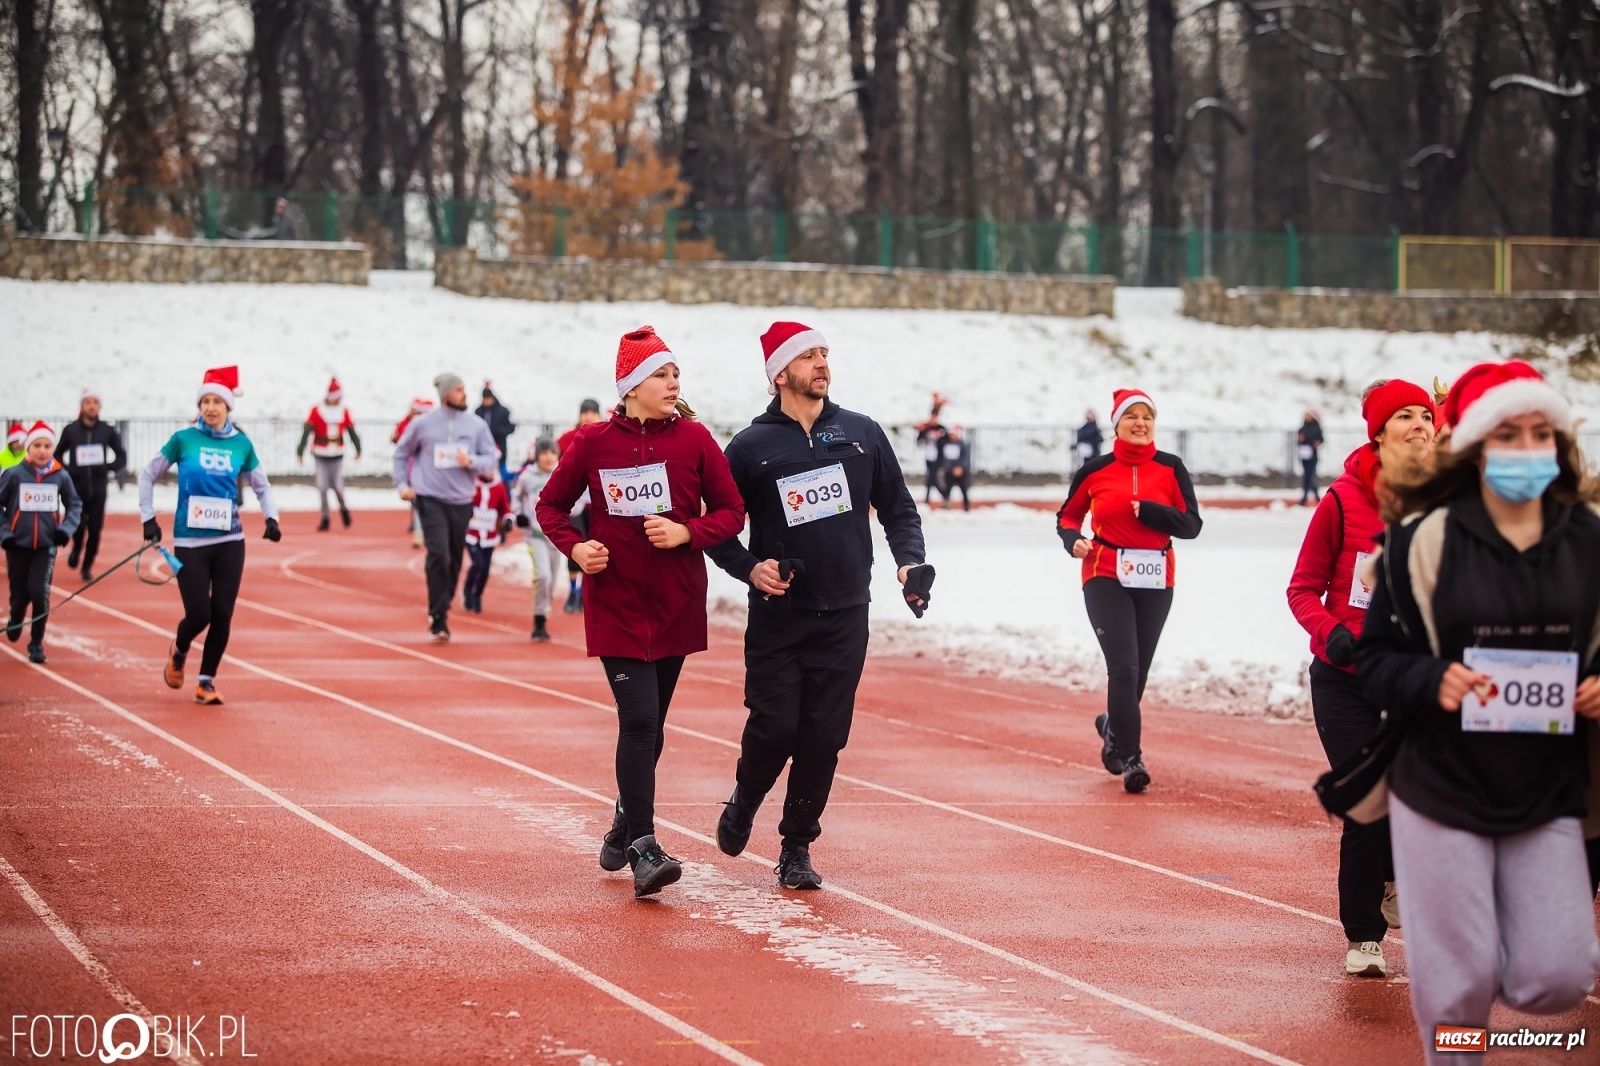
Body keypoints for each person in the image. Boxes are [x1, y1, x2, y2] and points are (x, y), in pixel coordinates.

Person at [1356, 360, 1600, 1064]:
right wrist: (1434, 679)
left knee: (1557, 975)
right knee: (1459, 997)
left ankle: (1475, 953)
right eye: (1506, 434)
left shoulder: (1587, 543)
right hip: (1441, 784)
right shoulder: (1421, 541)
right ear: (1473, 448)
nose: (1525, 449)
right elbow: (1374, 662)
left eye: (1539, 434)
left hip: (1544, 784)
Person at [708, 321, 932, 890]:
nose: (822, 364)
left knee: (824, 736)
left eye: (825, 354)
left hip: (845, 613)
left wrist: (910, 564)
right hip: (780, 616)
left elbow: (900, 509)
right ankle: (745, 798)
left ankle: (796, 845)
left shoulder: (861, 434)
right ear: (780, 374)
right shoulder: (751, 447)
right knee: (775, 727)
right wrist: (748, 567)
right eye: (808, 357)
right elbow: (717, 526)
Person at [536, 326, 745, 898]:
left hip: (676, 604)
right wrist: (575, 548)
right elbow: (549, 505)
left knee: (652, 729)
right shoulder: (592, 444)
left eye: (675, 373)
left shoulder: (697, 440)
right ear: (631, 385)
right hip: (619, 605)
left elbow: (731, 512)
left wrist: (686, 532)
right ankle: (643, 847)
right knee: (641, 721)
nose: (673, 382)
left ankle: (622, 822)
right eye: (661, 374)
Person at [1287, 378, 1437, 978]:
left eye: (1426, 416)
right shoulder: (1343, 502)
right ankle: (1364, 935)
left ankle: (1394, 874)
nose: (1419, 426)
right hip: (1346, 678)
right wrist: (1334, 632)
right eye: (1404, 416)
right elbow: (1301, 589)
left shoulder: (1448, 504)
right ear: (1378, 432)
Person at [1056, 389, 1203, 793]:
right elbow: (1067, 517)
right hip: (1105, 571)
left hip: (1156, 577)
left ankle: (1112, 730)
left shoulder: (1171, 469)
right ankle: (1132, 756)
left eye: (1147, 416)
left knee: (1137, 671)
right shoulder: (1095, 469)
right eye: (1131, 416)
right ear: (1116, 424)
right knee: (1123, 667)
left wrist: (1153, 511)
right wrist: (1073, 540)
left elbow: (1192, 525)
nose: (1140, 423)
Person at [139, 367, 281, 705]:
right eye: (205, 401)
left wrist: (271, 518)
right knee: (199, 613)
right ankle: (180, 649)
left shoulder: (241, 444)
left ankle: (206, 681)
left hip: (230, 541)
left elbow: (262, 485)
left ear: (229, 407)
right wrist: (149, 519)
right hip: (190, 542)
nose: (211, 407)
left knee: (223, 613)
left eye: (218, 401)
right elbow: (148, 474)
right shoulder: (183, 440)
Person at [392, 373, 499, 642]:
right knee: (438, 553)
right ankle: (438, 615)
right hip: (430, 498)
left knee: (453, 559)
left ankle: (443, 605)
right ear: (445, 394)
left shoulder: (476, 426)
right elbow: (401, 453)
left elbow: (490, 461)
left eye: (464, 388)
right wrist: (402, 484)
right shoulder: (422, 424)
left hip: (461, 500)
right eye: (458, 390)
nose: (464, 393)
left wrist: (471, 461)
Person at [0, 421, 83, 664]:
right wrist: (5, 533)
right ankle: (16, 616)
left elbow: (75, 504)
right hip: (17, 545)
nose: (42, 450)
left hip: (46, 546)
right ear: (28, 448)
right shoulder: (14, 474)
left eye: (47, 445)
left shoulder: (60, 475)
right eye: (37, 445)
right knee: (19, 594)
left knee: (40, 593)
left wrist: (65, 530)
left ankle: (36, 642)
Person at [57, 387, 127, 581]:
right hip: (76, 488)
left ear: (99, 406)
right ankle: (76, 548)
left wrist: (107, 467)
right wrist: (69, 470)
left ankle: (87, 566)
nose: (91, 406)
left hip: (98, 488)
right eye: (88, 402)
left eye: (95, 403)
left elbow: (122, 456)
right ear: (82, 406)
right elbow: (57, 455)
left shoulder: (107, 430)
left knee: (95, 529)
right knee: (78, 527)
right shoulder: (71, 430)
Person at [296, 376, 361, 531]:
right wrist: (300, 450)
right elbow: (307, 431)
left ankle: (344, 510)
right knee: (323, 487)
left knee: (338, 487)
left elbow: (351, 432)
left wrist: (358, 448)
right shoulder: (317, 411)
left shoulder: (343, 412)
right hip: (320, 454)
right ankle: (325, 517)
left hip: (337, 455)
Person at [557, 398, 603, 614]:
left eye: (592, 412)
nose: (588, 416)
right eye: (585, 412)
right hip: (575, 502)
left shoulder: (606, 436)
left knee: (594, 546)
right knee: (577, 544)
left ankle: (586, 592)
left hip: (598, 503)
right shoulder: (566, 439)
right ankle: (573, 591)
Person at [514, 439, 562, 642]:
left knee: (552, 580)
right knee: (543, 576)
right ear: (537, 456)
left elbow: (577, 500)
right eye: (544, 453)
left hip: (558, 537)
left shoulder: (563, 475)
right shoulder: (527, 478)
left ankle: (545, 608)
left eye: (552, 453)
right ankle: (539, 621)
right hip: (536, 536)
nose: (548, 457)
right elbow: (516, 497)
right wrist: (518, 514)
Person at [461, 470, 512, 614]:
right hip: (472, 534)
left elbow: (504, 508)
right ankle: (467, 590)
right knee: (478, 564)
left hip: (490, 535)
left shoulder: (499, 487)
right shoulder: (471, 484)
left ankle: (477, 595)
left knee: (485, 569)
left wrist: (508, 519)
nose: (490, 472)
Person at [393, 397, 434, 549]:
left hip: (427, 471)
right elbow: (400, 445)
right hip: (413, 469)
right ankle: (418, 530)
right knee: (417, 502)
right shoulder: (409, 424)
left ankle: (421, 530)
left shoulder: (428, 426)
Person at [475, 383, 517, 484]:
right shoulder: (478, 411)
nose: (487, 401)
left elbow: (511, 427)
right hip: (483, 449)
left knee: (502, 476)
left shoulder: (503, 411)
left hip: (500, 447)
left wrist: (498, 431)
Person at [913, 393, 948, 505]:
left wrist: (940, 437)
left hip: (938, 457)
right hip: (928, 455)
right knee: (931, 477)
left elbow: (946, 440)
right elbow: (919, 441)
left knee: (932, 477)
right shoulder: (925, 429)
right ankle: (941, 497)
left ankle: (943, 495)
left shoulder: (941, 429)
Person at [938, 424, 973, 511]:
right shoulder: (946, 443)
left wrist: (960, 467)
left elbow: (965, 458)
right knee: (947, 488)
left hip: (959, 471)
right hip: (949, 470)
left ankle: (966, 505)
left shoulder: (962, 445)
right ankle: (947, 503)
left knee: (963, 488)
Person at [1298, 407, 1324, 505]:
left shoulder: (1316, 428)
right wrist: (1300, 440)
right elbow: (1298, 441)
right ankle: (1315, 495)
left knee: (1310, 474)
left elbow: (1321, 439)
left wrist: (1317, 443)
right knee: (1308, 474)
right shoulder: (1302, 428)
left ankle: (1305, 496)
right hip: (1304, 455)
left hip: (1313, 455)